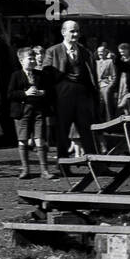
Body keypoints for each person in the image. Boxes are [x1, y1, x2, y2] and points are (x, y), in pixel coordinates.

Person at [42, 19, 99, 163]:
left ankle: (96, 164)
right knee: (62, 132)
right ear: (63, 32)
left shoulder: (85, 52)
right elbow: (46, 75)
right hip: (62, 96)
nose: (75, 34)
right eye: (72, 31)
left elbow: (92, 76)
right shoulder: (52, 51)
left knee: (87, 131)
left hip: (82, 96)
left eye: (77, 31)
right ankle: (63, 166)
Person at [8, 47, 51, 179]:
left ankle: (44, 170)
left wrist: (43, 92)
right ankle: (25, 169)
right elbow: (10, 94)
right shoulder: (16, 75)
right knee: (23, 140)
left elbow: (50, 91)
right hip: (22, 112)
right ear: (21, 61)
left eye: (34, 58)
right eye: (29, 58)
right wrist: (24, 93)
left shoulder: (41, 75)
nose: (33, 61)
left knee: (40, 139)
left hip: (38, 111)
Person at [95, 44, 119, 122]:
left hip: (106, 86)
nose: (100, 53)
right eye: (98, 52)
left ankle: (110, 123)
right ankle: (99, 124)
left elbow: (114, 77)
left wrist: (109, 87)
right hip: (97, 86)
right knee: (97, 106)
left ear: (106, 52)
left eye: (101, 51)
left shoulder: (110, 62)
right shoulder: (96, 62)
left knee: (107, 105)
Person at [115, 40, 130, 116]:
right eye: (120, 52)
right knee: (123, 103)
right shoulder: (121, 59)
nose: (122, 54)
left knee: (126, 101)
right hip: (121, 81)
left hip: (128, 81)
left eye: (123, 52)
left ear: (128, 50)